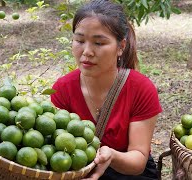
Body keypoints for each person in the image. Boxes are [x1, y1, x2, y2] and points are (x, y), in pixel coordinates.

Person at [51, 0, 162, 179]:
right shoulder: (62, 89)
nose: (87, 51)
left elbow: (138, 160)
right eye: (79, 40)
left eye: (99, 43)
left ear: (121, 47)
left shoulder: (141, 89)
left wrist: (111, 155)